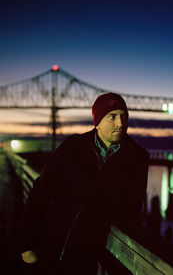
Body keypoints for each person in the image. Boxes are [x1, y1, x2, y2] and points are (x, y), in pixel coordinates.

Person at [18, 93, 149, 275]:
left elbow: (132, 211)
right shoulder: (73, 146)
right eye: (112, 116)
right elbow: (40, 193)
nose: (120, 123)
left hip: (85, 259)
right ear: (97, 121)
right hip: (45, 247)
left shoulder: (138, 158)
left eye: (124, 116)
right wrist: (26, 245)